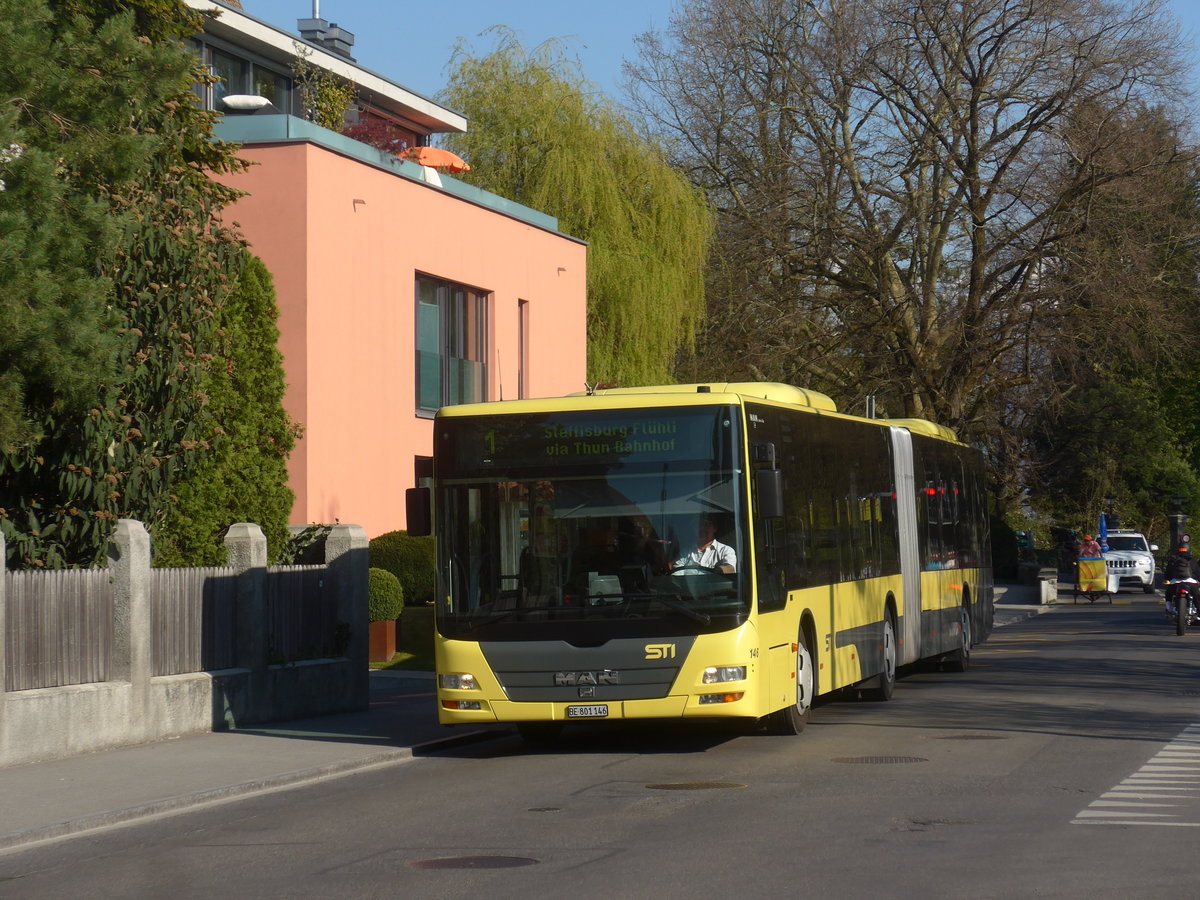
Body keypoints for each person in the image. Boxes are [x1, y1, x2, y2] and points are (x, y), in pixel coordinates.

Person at [672, 518, 737, 574]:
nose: (702, 528)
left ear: (714, 528)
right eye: (698, 525)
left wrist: (719, 570)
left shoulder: (725, 550)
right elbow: (676, 574)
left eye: (706, 525)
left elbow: (730, 569)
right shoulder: (685, 552)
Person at [1163, 544, 1200, 616]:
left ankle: (1169, 608)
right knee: (1197, 597)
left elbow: (1167, 573)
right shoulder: (1192, 561)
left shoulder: (1173, 560)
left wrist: (1167, 580)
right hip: (1191, 584)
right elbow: (1198, 573)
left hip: (1175, 583)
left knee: (1168, 594)